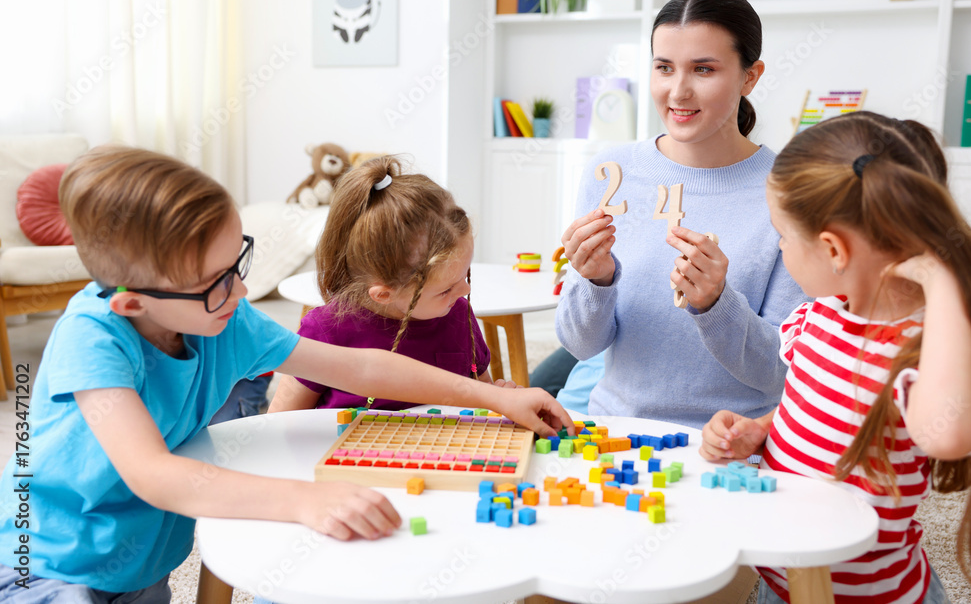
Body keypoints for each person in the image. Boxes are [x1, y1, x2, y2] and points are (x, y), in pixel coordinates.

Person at [0, 146, 572, 602]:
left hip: (140, 563)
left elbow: (360, 366)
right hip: (46, 562)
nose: (242, 291)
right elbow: (153, 474)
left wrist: (493, 398)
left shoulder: (227, 318)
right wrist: (304, 501)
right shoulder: (91, 339)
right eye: (215, 282)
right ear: (132, 303)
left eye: (237, 262)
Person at [701, 111, 971, 603]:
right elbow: (824, 412)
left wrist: (943, 280)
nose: (780, 246)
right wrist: (763, 431)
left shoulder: (926, 348)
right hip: (786, 581)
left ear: (834, 250)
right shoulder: (820, 315)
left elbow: (947, 436)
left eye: (783, 235)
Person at [557, 0, 807, 428]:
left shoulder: (793, 193)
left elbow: (783, 372)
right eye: (664, 68)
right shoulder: (611, 173)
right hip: (613, 433)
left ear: (750, 77)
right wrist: (595, 281)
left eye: (703, 69)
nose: (678, 92)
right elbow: (580, 346)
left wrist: (716, 304)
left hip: (729, 442)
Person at [267, 156, 515, 415]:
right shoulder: (325, 331)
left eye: (466, 274)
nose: (465, 291)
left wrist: (501, 400)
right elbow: (281, 421)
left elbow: (482, 396)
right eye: (446, 289)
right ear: (384, 294)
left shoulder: (458, 315)